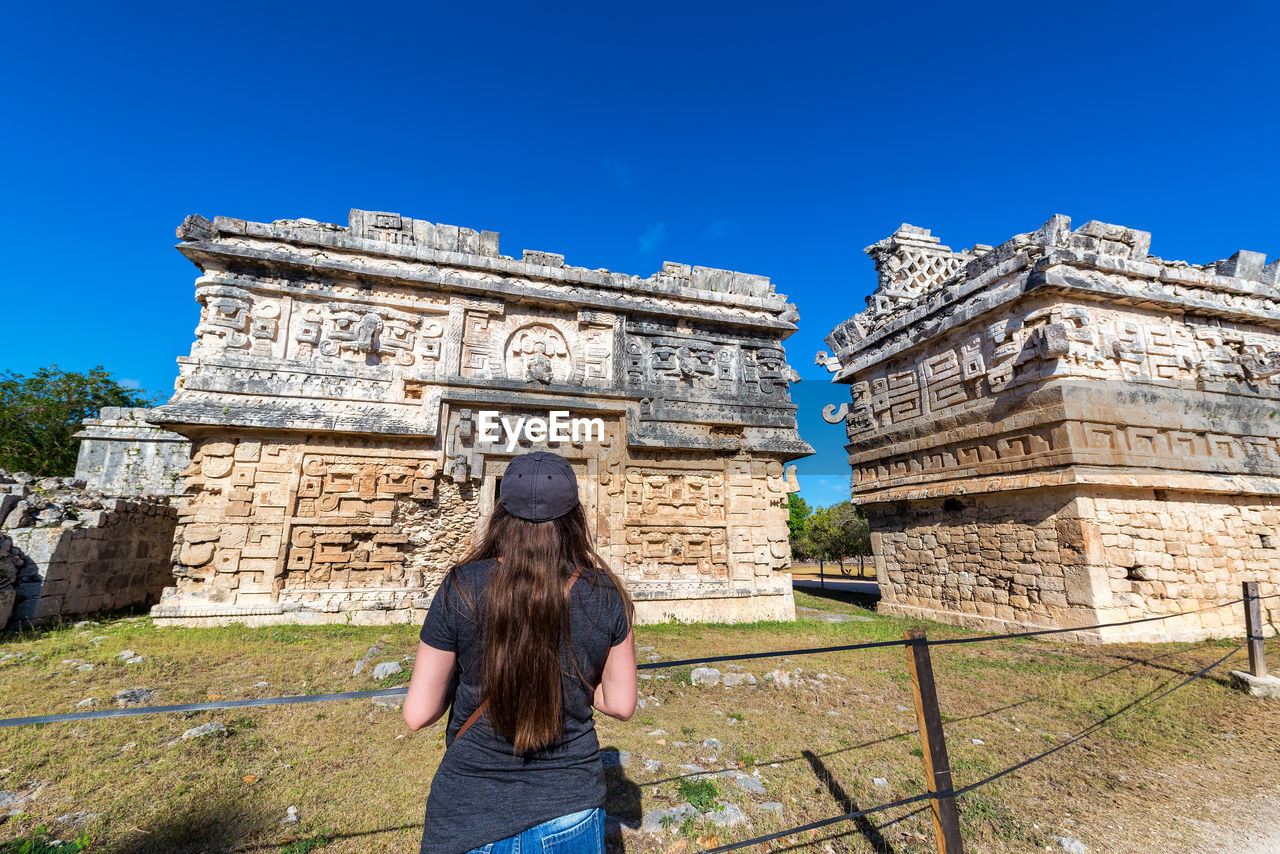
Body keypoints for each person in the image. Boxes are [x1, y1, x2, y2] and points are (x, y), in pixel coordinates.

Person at [404, 451, 637, 854]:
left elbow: (418, 713)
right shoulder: (605, 596)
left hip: (469, 812)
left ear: (500, 512)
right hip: (570, 810)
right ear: (574, 517)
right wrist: (582, 683)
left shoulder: (461, 587)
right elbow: (620, 703)